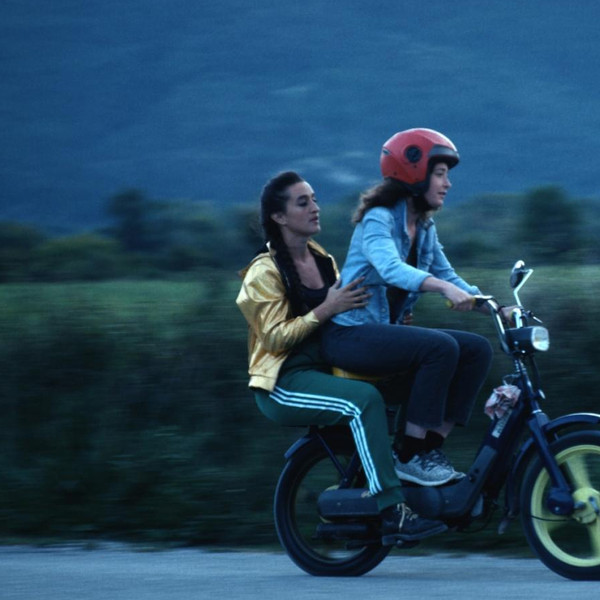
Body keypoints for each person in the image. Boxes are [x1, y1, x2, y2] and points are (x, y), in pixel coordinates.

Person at [236, 170, 447, 545]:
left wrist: (393, 322)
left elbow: (354, 317)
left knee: (418, 373)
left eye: (315, 199)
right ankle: (392, 509)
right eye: (303, 203)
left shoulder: (323, 260)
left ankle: (408, 461)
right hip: (284, 382)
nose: (315, 208)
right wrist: (326, 309)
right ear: (279, 217)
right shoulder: (262, 272)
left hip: (330, 368)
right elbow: (273, 337)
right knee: (364, 400)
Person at [321, 128, 509, 486]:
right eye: (440, 174)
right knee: (439, 347)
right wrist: (441, 288)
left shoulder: (424, 227)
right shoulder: (378, 218)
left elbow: (448, 275)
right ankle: (408, 455)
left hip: (381, 334)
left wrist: (498, 310)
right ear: (414, 174)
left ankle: (429, 450)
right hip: (349, 334)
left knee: (476, 349)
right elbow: (390, 268)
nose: (448, 183)